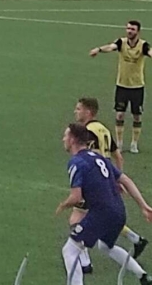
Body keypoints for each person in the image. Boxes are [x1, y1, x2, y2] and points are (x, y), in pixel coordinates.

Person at [58, 123, 152, 285]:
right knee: (106, 246)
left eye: (66, 136)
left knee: (70, 250)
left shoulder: (76, 162)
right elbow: (125, 180)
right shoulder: (98, 157)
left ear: (72, 139)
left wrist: (63, 205)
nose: (63, 139)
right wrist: (143, 206)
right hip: (119, 211)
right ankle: (143, 276)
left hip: (101, 214)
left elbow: (76, 197)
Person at [71, 98, 147, 273]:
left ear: (88, 112)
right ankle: (135, 240)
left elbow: (89, 157)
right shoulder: (103, 129)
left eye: (79, 109)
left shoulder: (87, 132)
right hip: (107, 178)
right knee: (104, 216)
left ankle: (84, 263)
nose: (75, 111)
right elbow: (118, 156)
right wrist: (116, 178)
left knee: (76, 218)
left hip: (94, 181)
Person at [90, 20, 152, 153]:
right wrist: (99, 49)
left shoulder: (143, 45)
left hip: (137, 87)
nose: (129, 31)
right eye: (128, 28)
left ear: (138, 31)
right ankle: (119, 143)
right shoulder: (121, 42)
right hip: (122, 86)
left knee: (137, 116)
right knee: (119, 115)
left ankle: (134, 143)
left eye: (132, 29)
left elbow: (150, 52)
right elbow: (110, 47)